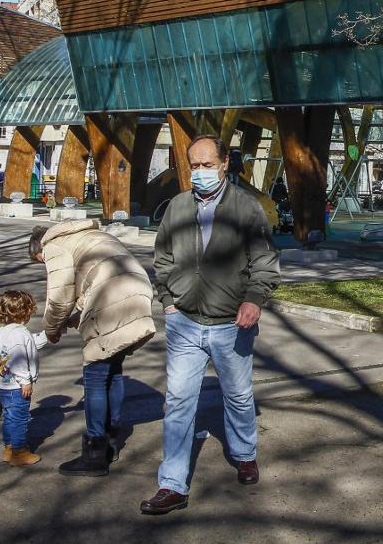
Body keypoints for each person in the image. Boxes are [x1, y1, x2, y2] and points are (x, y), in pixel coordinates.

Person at [140, 135, 281, 516]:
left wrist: (254, 298)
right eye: (194, 166)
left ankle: (245, 453)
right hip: (184, 322)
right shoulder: (178, 207)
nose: (200, 173)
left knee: (237, 396)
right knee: (179, 403)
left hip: (231, 323)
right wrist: (168, 301)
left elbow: (264, 261)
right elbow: (163, 257)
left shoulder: (246, 208)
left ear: (223, 165)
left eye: (207, 165)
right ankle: (172, 484)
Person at [28, 220, 155, 477]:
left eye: (40, 262)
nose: (44, 266)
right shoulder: (90, 235)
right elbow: (87, 290)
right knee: (113, 369)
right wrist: (72, 321)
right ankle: (111, 441)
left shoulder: (54, 245)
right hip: (137, 290)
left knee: (95, 375)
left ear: (38, 248)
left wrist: (52, 330)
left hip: (112, 297)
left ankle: (95, 453)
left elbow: (60, 296)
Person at [0, 290, 49, 467]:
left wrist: (48, 335)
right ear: (26, 312)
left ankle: (9, 447)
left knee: (9, 416)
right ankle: (19, 452)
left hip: (4, 384)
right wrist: (26, 381)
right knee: (19, 418)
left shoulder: (6, 331)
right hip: (17, 386)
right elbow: (19, 358)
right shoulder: (19, 334)